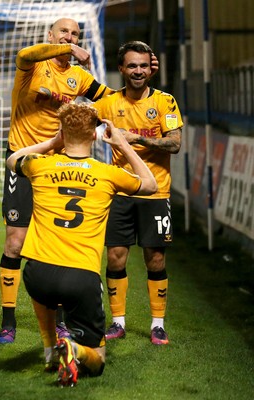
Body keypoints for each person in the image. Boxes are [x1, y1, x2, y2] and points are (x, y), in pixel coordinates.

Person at [0, 17, 159, 344]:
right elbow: (26, 54)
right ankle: (8, 320)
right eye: (64, 33)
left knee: (57, 244)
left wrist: (140, 74)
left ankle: (57, 323)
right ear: (51, 36)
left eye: (75, 34)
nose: (70, 38)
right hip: (28, 157)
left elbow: (114, 98)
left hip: (60, 163)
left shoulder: (80, 78)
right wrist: (68, 48)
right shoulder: (33, 66)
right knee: (15, 242)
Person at [6, 102, 158, 386]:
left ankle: (51, 351)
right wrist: (123, 144)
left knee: (43, 291)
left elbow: (13, 159)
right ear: (94, 135)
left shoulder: (40, 166)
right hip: (80, 277)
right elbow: (150, 185)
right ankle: (73, 350)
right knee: (98, 360)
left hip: (37, 273)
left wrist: (53, 142)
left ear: (62, 131)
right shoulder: (107, 174)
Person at [92, 41, 183, 345]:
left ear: (150, 68)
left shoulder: (165, 102)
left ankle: (157, 324)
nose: (138, 71)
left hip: (156, 193)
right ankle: (118, 322)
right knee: (116, 257)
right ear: (121, 69)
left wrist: (134, 140)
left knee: (155, 259)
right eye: (132, 66)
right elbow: (80, 124)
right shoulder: (107, 104)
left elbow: (174, 144)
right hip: (119, 193)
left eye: (143, 66)